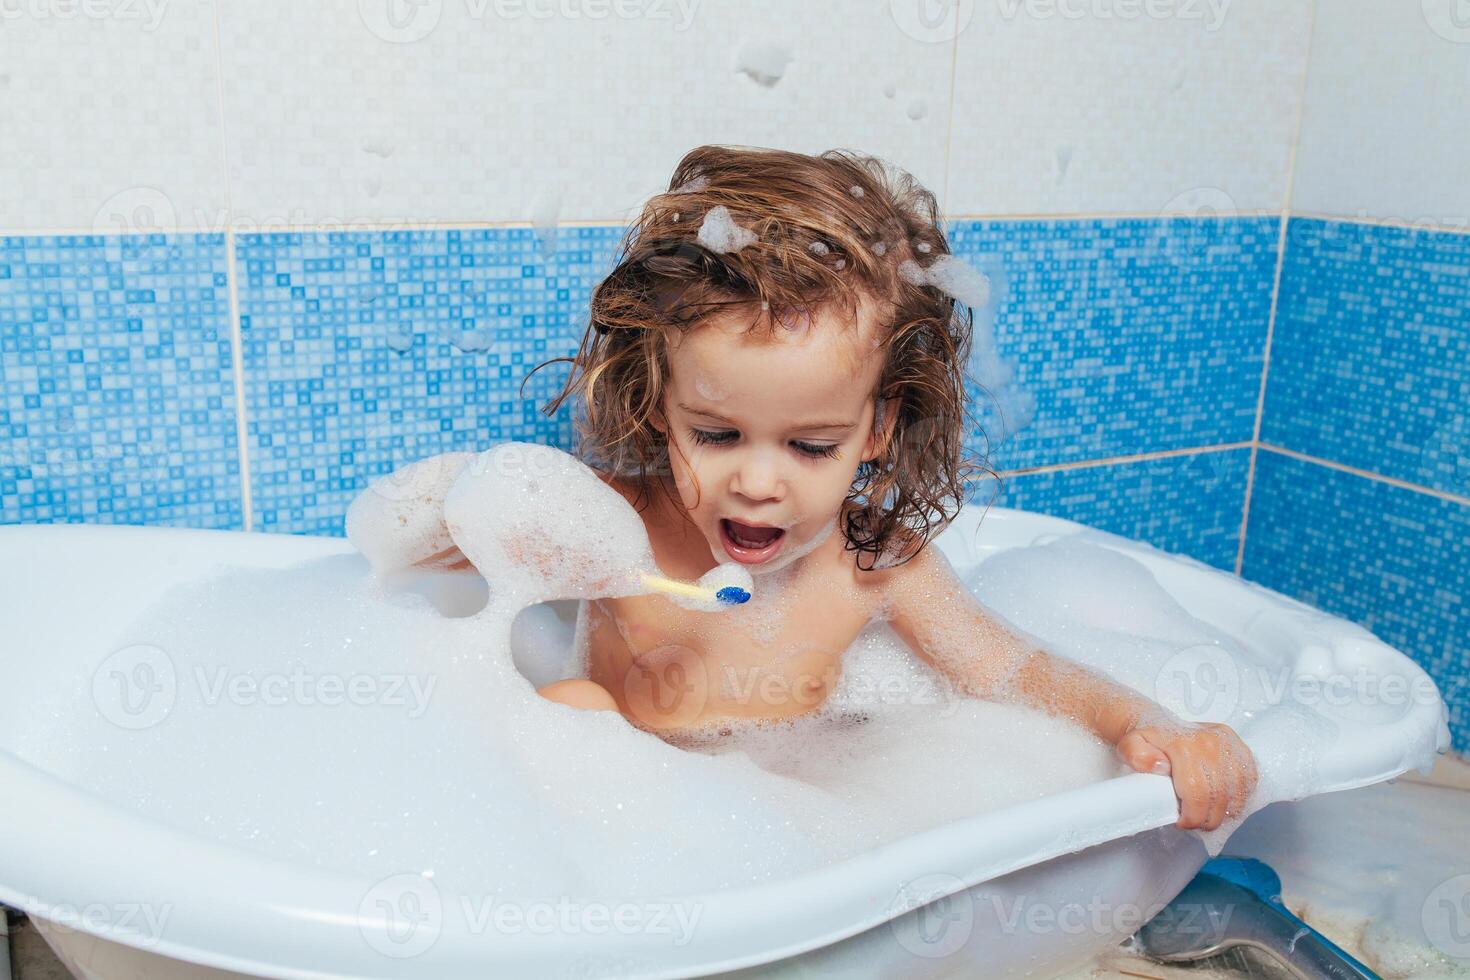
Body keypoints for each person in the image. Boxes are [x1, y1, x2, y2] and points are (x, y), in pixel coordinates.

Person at [367, 145, 1257, 832]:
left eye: (810, 445)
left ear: (876, 430)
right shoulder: (612, 522)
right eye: (715, 435)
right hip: (623, 839)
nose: (758, 482)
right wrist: (455, 515)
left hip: (789, 835)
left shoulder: (873, 564)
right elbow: (440, 550)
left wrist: (1149, 722)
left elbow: (1016, 668)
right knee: (572, 705)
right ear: (658, 410)